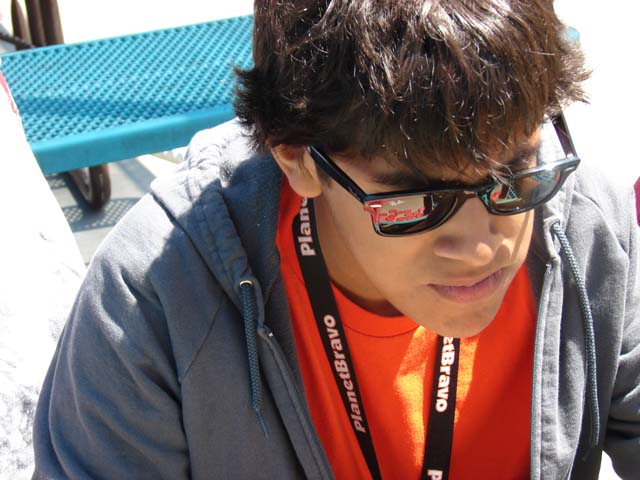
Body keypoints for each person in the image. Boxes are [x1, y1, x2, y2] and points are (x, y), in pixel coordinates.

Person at [32, 1, 639, 479]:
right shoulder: (153, 299)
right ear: (296, 157)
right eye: (416, 203)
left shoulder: (591, 227)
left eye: (516, 174)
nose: (484, 248)